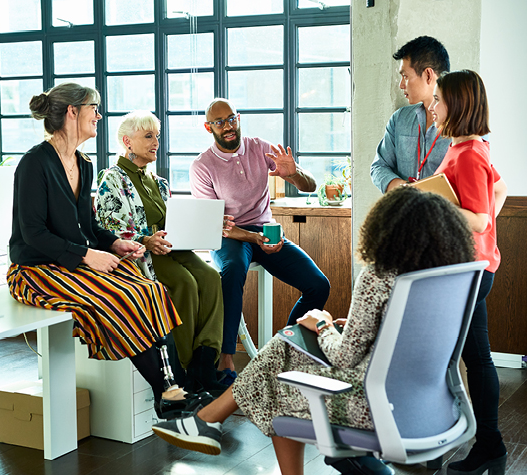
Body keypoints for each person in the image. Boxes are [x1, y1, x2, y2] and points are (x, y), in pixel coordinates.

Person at [152, 187, 476, 475]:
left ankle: (206, 421)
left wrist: (322, 325)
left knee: (278, 381)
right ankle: (206, 420)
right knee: (285, 344)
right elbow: (408, 334)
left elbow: (345, 356)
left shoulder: (378, 277)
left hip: (371, 405)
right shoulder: (446, 278)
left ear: (388, 230)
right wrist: (353, 327)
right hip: (432, 404)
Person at [7, 82, 207, 419]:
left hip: (72, 263)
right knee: (123, 296)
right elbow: (34, 234)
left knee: (151, 290)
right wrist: (88, 255)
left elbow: (87, 227)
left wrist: (113, 243)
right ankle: (170, 394)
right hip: (36, 270)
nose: (99, 115)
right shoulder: (34, 164)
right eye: (93, 108)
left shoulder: (83, 164)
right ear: (72, 112)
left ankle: (176, 389)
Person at [190, 98, 330, 379]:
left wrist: (294, 174)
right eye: (219, 122)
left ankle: (285, 350)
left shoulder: (260, 148)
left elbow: (310, 186)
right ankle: (226, 359)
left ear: (238, 119)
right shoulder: (202, 166)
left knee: (318, 285)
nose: (228, 126)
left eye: (231, 119)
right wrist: (254, 239)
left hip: (265, 229)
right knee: (231, 273)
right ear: (209, 128)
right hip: (231, 236)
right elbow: (217, 226)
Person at [95, 110, 231, 395]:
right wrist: (146, 239)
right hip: (144, 253)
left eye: (156, 136)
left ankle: (205, 363)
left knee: (210, 277)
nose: (156, 141)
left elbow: (175, 222)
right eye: (148, 136)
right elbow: (108, 227)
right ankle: (183, 370)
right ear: (127, 142)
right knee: (185, 283)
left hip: (172, 247)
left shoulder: (158, 181)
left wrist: (206, 226)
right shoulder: (112, 179)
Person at [428, 70, 508, 475]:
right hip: (471, 268)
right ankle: (483, 445)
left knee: (464, 359)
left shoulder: (471, 152)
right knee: (474, 359)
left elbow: (477, 219)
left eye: (439, 99)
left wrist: (429, 202)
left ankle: (462, 443)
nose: (433, 106)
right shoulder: (470, 147)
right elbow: (499, 190)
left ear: (457, 104)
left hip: (468, 271)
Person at [370, 36, 451, 193]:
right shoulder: (399, 119)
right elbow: (379, 166)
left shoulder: (463, 125)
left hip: (443, 216)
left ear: (428, 75)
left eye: (405, 76)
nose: (401, 85)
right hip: (403, 214)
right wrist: (405, 190)